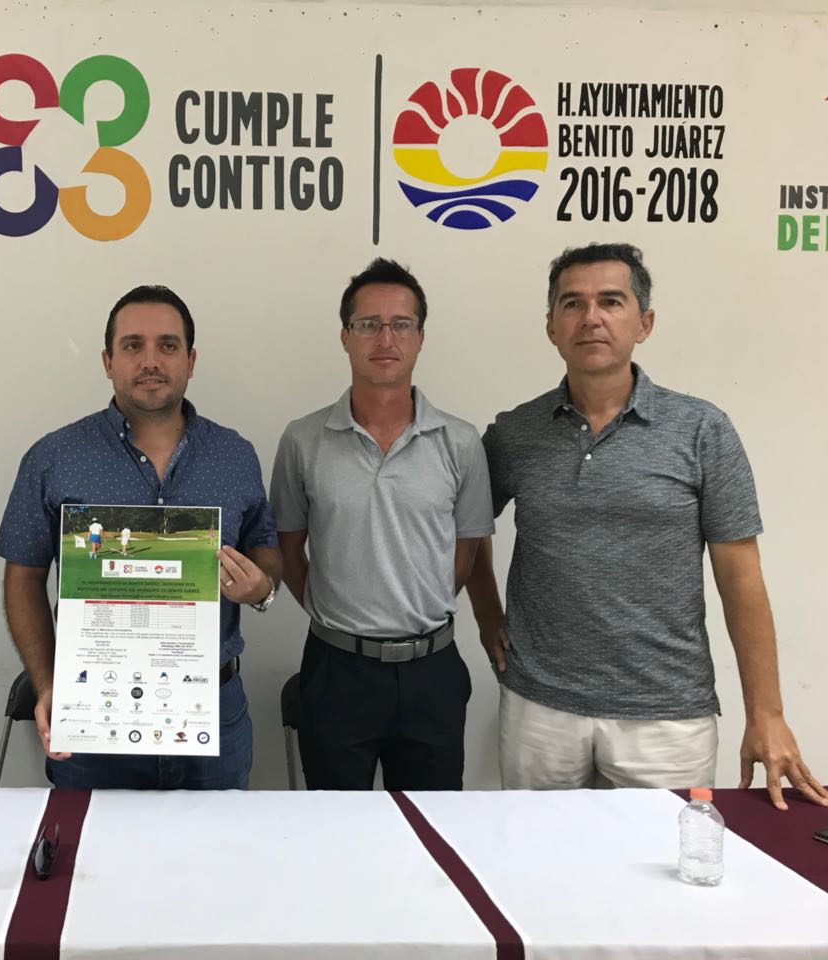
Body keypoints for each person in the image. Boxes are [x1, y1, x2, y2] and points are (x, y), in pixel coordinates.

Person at [466, 242, 827, 810]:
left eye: (611, 301)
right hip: (540, 708)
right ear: (551, 327)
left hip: (666, 718)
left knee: (661, 866)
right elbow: (467, 528)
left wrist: (767, 713)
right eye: (572, 304)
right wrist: (489, 617)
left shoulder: (702, 430)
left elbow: (741, 578)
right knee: (539, 862)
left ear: (645, 323)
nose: (591, 318)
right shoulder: (515, 434)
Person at [0, 284, 281, 790]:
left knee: (217, 841)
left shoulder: (235, 455)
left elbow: (267, 550)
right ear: (108, 361)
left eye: (168, 345)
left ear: (191, 360)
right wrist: (48, 683)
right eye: (133, 346)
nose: (151, 360)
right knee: (92, 842)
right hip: (94, 710)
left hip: (212, 710)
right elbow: (23, 579)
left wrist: (262, 588)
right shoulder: (54, 457)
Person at [271, 258, 493, 790]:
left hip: (432, 671)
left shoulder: (461, 442)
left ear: (420, 338)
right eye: (369, 324)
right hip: (336, 671)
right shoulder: (303, 440)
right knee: (335, 826)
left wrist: (415, 608)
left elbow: (465, 552)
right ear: (345, 337)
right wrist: (337, 614)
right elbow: (288, 550)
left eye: (401, 324)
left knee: (428, 825)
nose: (385, 338)